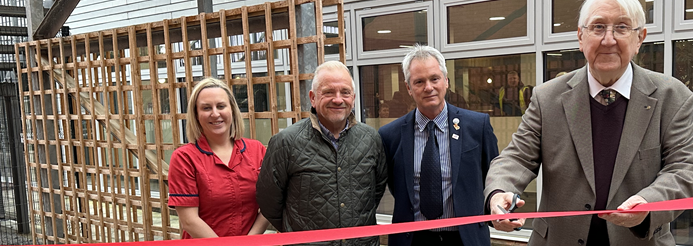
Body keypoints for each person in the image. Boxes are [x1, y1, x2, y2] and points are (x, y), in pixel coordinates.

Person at [484, 0, 693, 245]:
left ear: (639, 38)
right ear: (581, 36)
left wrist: (648, 203)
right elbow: (518, 157)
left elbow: (686, 168)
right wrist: (499, 193)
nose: (608, 40)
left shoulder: (672, 97)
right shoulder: (548, 97)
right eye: (598, 27)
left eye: (621, 28)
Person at [256, 61, 387, 245]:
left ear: (354, 97)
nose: (338, 99)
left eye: (345, 92)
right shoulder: (285, 143)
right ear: (312, 98)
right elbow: (269, 202)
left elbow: (376, 191)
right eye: (328, 92)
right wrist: (298, 232)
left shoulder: (371, 139)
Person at [379, 45, 499, 246]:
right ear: (409, 88)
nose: (428, 87)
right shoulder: (390, 135)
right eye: (419, 81)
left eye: (434, 78)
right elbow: (393, 186)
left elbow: (494, 177)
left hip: (465, 239)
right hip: (413, 240)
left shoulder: (477, 126)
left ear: (446, 81)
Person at [168, 78, 270, 239]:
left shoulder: (256, 150)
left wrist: (249, 242)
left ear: (232, 109)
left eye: (221, 106)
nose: (215, 114)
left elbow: (269, 206)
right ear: (196, 114)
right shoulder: (184, 158)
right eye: (206, 108)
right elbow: (189, 220)